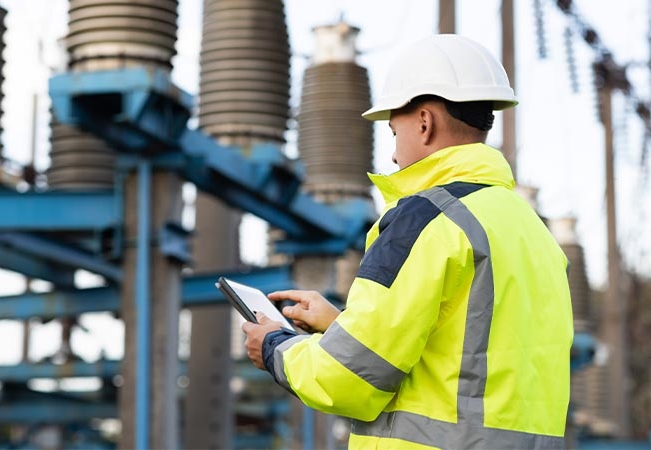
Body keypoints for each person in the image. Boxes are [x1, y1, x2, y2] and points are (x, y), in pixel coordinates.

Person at [242, 34, 573, 449]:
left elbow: (343, 379)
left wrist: (275, 345)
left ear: (423, 122)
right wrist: (342, 326)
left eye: (394, 131)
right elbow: (467, 363)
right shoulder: (531, 230)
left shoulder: (428, 218)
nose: (395, 156)